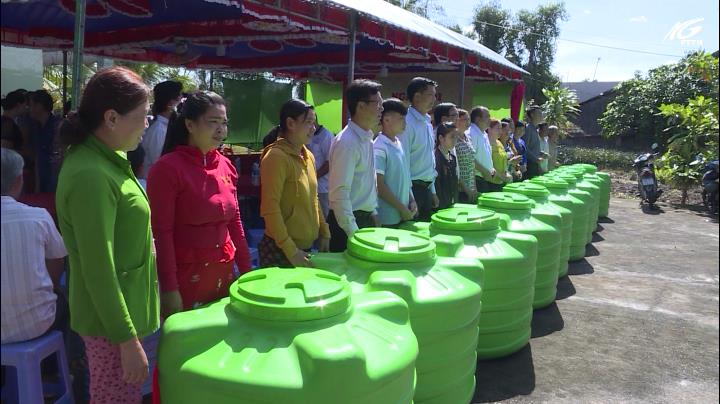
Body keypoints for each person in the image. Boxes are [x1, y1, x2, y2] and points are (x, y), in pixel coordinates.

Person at [55, 66, 159, 403]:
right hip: (112, 325)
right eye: (143, 116)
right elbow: (98, 267)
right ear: (112, 118)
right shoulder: (91, 174)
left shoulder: (107, 158)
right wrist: (126, 339)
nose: (147, 124)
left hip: (122, 316)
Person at [147, 91, 252, 317]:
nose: (221, 130)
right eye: (213, 122)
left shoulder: (226, 165)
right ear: (190, 125)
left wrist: (246, 271)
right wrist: (169, 288)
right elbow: (161, 232)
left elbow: (234, 222)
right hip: (185, 278)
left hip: (224, 274)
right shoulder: (167, 169)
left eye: (224, 123)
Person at [1, 147, 67, 344]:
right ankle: (64, 360)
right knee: (65, 300)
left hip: (36, 323)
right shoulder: (38, 217)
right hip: (36, 324)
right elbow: (58, 260)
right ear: (19, 180)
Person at [259, 99, 330, 267]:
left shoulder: (308, 156)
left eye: (314, 123)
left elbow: (314, 198)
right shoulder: (276, 157)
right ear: (290, 123)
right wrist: (291, 251)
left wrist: (324, 231)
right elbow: (270, 208)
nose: (313, 128)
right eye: (309, 122)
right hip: (280, 249)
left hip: (304, 248)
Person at [327, 79, 382, 252]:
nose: (381, 108)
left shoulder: (366, 138)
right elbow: (339, 193)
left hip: (363, 218)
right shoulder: (347, 142)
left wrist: (373, 212)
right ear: (361, 106)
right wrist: (353, 232)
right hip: (347, 223)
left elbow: (367, 182)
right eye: (377, 103)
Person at [398, 77, 439, 221]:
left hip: (426, 188)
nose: (434, 99)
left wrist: (432, 190)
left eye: (435, 95)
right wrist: (410, 197)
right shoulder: (406, 123)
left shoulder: (427, 122)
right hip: (412, 190)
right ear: (416, 97)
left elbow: (429, 159)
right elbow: (403, 163)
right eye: (430, 95)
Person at [374, 98, 416, 228]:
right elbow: (379, 186)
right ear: (386, 120)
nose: (405, 123)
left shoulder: (399, 143)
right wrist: (402, 208)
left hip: (403, 214)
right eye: (401, 119)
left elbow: (405, 177)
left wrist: (412, 200)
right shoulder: (379, 147)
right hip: (387, 219)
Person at [140, 81, 183, 178]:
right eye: (179, 98)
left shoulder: (168, 126)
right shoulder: (159, 130)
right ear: (170, 103)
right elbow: (159, 163)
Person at [29, 90, 63, 192]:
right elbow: (38, 156)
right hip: (43, 176)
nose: (29, 109)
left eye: (31, 105)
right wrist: (37, 186)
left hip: (55, 178)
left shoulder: (57, 126)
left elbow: (59, 156)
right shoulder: (36, 127)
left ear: (39, 106)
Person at [307, 118, 333, 219]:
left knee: (323, 219)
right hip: (309, 186)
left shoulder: (326, 136)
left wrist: (313, 177)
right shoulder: (306, 135)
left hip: (323, 188)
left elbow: (330, 163)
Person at [467, 106, 495, 193]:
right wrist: (485, 171)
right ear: (477, 119)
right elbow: (470, 158)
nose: (490, 119)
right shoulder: (471, 133)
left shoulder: (483, 133)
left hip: (485, 178)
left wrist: (491, 169)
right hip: (476, 180)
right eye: (487, 116)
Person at [434, 123, 459, 209]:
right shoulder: (435, 158)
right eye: (452, 137)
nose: (455, 140)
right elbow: (436, 185)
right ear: (441, 138)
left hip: (451, 205)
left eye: (456, 137)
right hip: (439, 207)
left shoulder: (452, 158)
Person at [455, 109, 477, 203]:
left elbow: (472, 164)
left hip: (471, 187)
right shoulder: (453, 138)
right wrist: (466, 189)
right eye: (465, 119)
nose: (468, 122)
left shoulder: (468, 137)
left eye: (469, 119)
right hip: (460, 189)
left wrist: (474, 187)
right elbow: (455, 167)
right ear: (457, 120)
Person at [485, 119, 513, 192]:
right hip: (489, 183)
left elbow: (504, 161)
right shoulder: (486, 143)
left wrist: (507, 174)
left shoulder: (499, 143)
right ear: (489, 129)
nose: (500, 131)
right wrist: (502, 177)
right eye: (498, 129)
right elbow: (487, 166)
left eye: (501, 129)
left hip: (500, 182)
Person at [523, 105, 545, 179]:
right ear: (532, 115)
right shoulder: (528, 128)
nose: (541, 116)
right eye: (539, 114)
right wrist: (536, 159)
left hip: (535, 163)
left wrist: (541, 153)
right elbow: (525, 148)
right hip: (530, 164)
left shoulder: (535, 129)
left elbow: (533, 147)